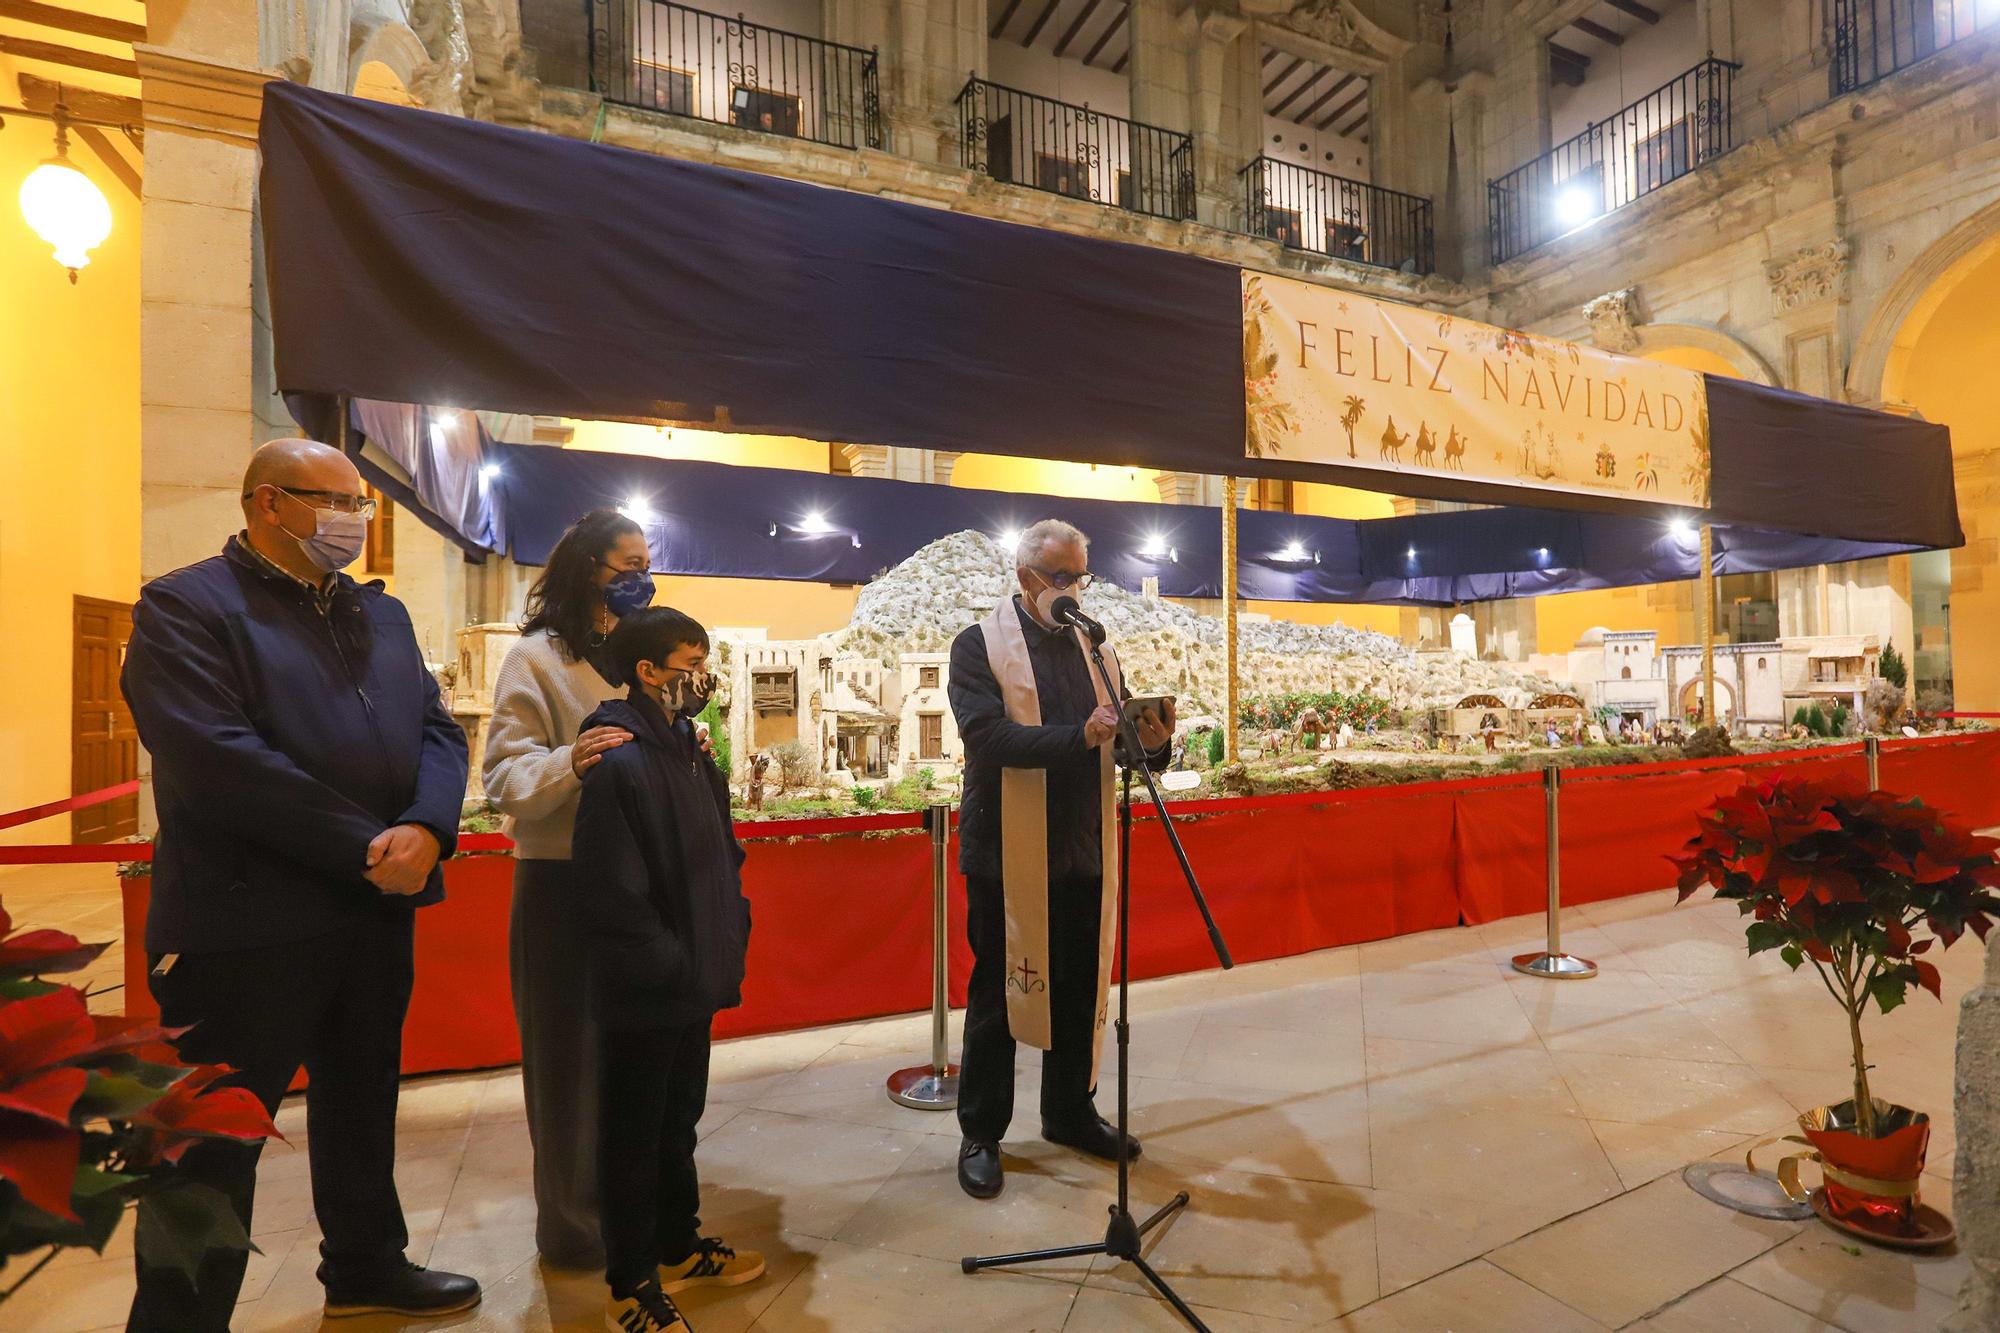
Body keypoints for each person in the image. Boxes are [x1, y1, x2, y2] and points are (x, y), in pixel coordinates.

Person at [120, 439, 479, 1329]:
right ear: (267, 503)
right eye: (336, 500)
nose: (355, 520)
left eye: (362, 504)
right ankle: (178, 1321)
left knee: (362, 1103)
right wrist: (367, 844)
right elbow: (215, 760)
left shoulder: (378, 615)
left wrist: (430, 827)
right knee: (208, 1142)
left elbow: (437, 729)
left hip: (369, 914)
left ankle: (364, 1263)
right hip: (245, 923)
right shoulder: (188, 606)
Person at [948, 519, 1173, 1200]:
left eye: (1081, 576)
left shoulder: (1092, 645)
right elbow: (987, 738)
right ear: (1024, 578)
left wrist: (1153, 740)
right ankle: (982, 1130)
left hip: (1081, 841)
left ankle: (1069, 1111)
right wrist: (1078, 736)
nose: (1073, 590)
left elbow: (1119, 738)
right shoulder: (977, 644)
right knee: (1000, 990)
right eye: (1060, 577)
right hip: (1006, 850)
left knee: (1078, 985)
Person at [571, 607, 763, 1333]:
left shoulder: (689, 748)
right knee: (633, 1135)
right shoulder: (619, 758)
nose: (701, 678)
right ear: (647, 671)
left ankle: (678, 1245)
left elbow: (724, 851)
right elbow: (610, 890)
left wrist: (729, 929)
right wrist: (670, 961)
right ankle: (630, 1281)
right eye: (689, 665)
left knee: (677, 1122)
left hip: (693, 978)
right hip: (650, 986)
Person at [481, 508, 653, 1270]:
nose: (644, 575)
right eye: (631, 562)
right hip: (562, 885)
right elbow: (503, 778)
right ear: (591, 568)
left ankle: (629, 1208)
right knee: (566, 1066)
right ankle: (573, 1228)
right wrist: (572, 762)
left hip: (642, 884)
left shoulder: (637, 654)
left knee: (632, 1055)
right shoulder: (536, 659)